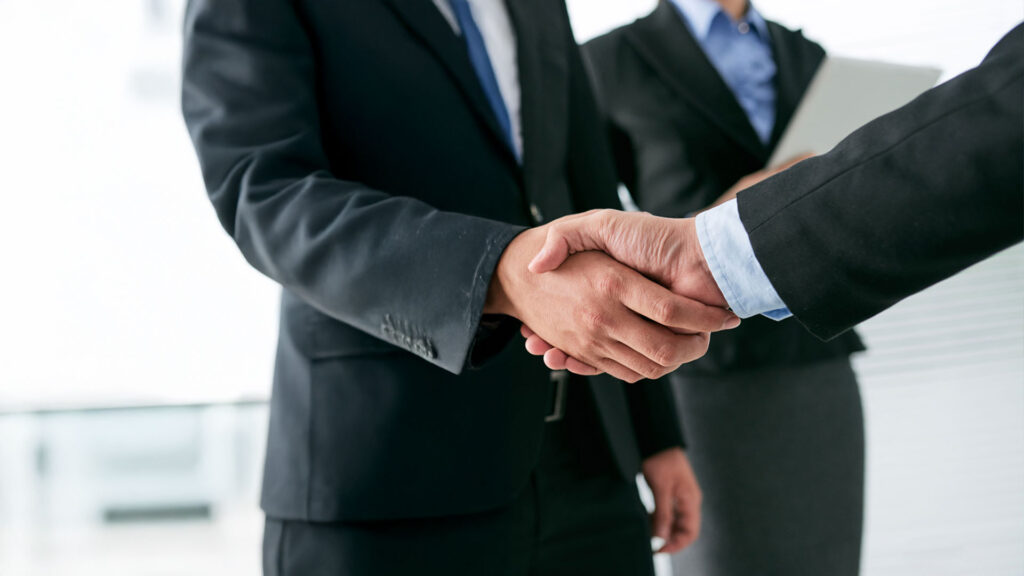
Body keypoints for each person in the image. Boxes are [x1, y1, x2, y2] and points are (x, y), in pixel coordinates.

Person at [181, 0, 741, 574]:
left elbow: (586, 183)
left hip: (590, 467)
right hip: (392, 476)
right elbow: (266, 192)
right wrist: (496, 270)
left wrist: (653, 433)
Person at [522, 22, 1023, 370]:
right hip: (700, 350)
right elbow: (589, 193)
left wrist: (716, 243)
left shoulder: (802, 50)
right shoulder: (608, 57)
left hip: (815, 339)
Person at [581, 1, 866, 573]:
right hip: (704, 373)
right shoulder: (607, 62)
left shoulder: (802, 53)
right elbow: (592, 250)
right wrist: (739, 210)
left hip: (818, 355)